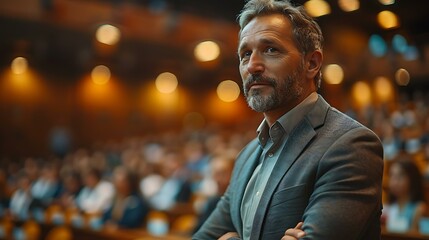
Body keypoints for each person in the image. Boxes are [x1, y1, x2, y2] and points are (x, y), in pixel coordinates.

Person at [193, 0, 384, 239]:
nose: (252, 66)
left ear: (311, 63)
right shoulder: (246, 156)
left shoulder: (351, 145)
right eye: (245, 54)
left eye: (271, 49)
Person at [384, 159, 427, 233]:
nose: (394, 182)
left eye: (400, 176)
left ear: (412, 178)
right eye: (391, 176)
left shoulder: (419, 209)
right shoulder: (386, 208)